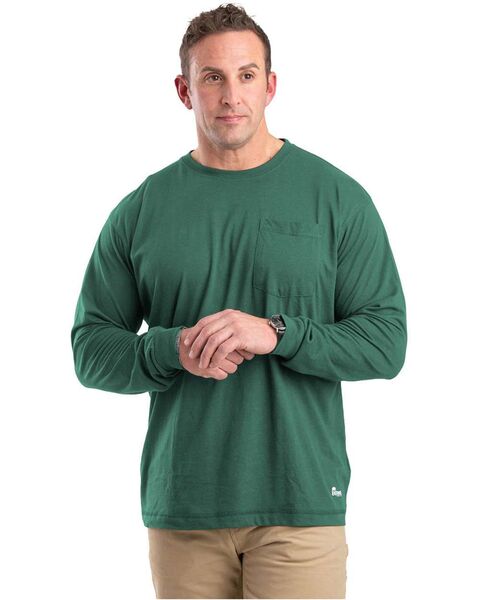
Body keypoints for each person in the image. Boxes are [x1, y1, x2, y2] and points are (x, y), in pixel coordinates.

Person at [70, 3, 407, 598]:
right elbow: (91, 350)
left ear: (270, 85)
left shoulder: (336, 198)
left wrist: (278, 333)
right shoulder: (142, 210)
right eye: (212, 77)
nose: (231, 95)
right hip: (184, 509)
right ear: (184, 90)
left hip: (300, 503)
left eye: (246, 75)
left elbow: (386, 343)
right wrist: (174, 349)